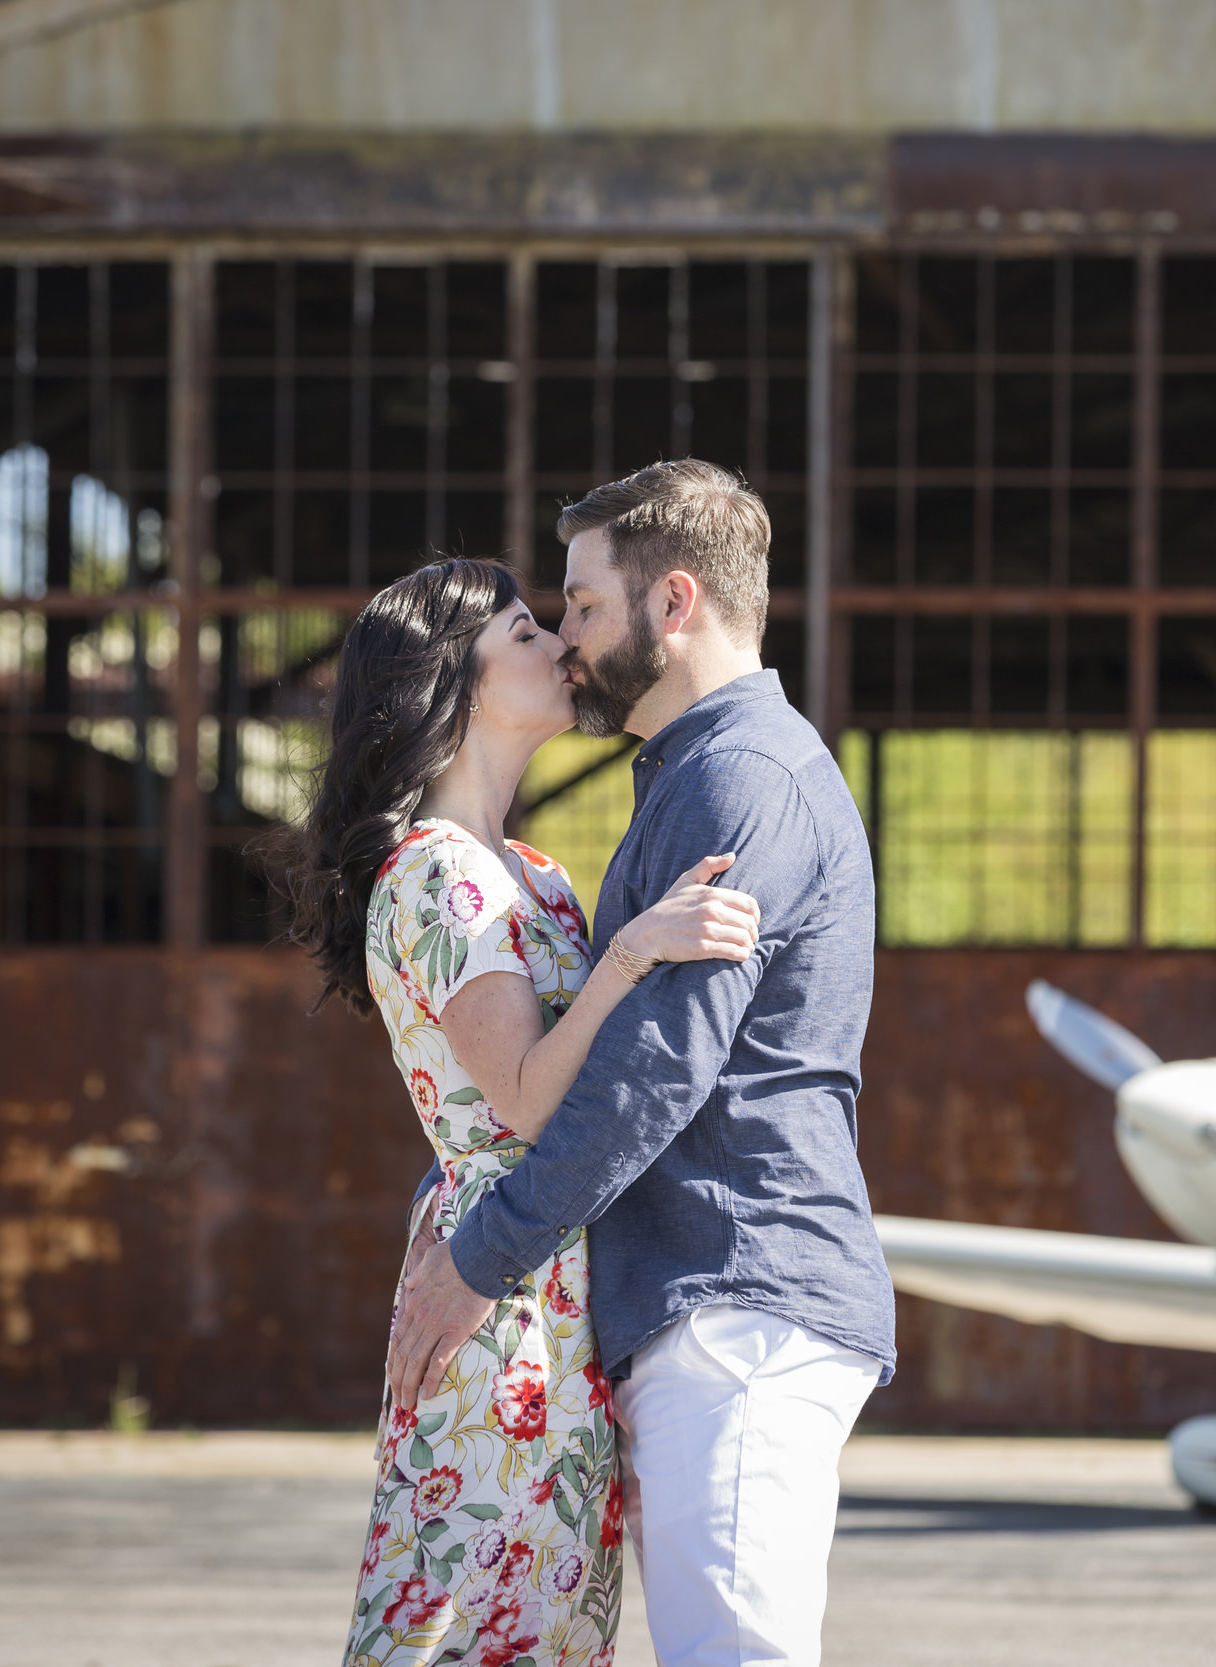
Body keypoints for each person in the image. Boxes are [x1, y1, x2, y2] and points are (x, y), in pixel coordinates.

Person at [386, 460, 898, 1667]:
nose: (568, 637)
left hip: (737, 1293)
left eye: (583, 603)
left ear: (674, 603)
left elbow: (659, 1066)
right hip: (708, 1294)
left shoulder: (738, 775)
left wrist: (484, 1254)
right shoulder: (696, 769)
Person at [284, 554, 764, 1667]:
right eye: (522, 630)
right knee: (468, 1617)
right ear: (450, 684)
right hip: (503, 1303)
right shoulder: (437, 874)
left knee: (546, 1618)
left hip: (554, 1285)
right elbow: (526, 1099)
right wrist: (635, 949)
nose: (560, 643)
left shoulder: (536, 875)